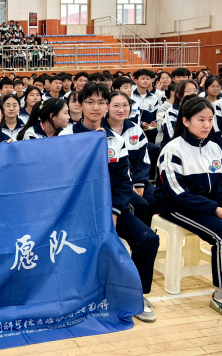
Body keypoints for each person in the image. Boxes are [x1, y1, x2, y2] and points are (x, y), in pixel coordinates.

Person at [59, 82, 159, 322]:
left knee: (148, 239)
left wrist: (114, 212)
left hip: (107, 209)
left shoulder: (115, 140)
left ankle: (137, 295)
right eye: (90, 102)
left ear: (106, 106)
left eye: (101, 102)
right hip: (75, 211)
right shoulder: (66, 136)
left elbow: (123, 183)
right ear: (79, 105)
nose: (96, 107)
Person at [155, 96, 222, 318]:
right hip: (176, 205)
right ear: (186, 121)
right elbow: (178, 193)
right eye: (201, 120)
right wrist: (214, 208)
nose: (207, 125)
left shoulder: (215, 148)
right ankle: (221, 295)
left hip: (206, 205)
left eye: (210, 119)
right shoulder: (172, 150)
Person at [103, 91, 155, 226]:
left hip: (137, 179)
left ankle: (146, 231)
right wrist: (130, 184)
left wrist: (139, 183)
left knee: (155, 198)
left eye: (125, 105)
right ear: (107, 107)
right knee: (141, 205)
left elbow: (143, 160)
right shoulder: (101, 131)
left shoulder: (135, 129)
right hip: (118, 182)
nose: (121, 110)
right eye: (116, 106)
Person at [161, 80, 199, 148]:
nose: (193, 93)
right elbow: (172, 136)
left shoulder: (199, 110)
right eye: (188, 91)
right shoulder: (171, 112)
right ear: (178, 95)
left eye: (195, 90)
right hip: (175, 148)